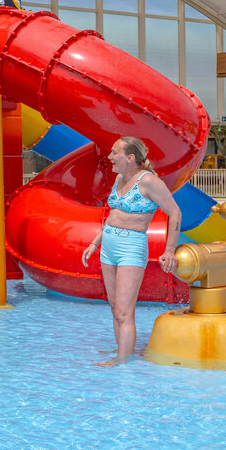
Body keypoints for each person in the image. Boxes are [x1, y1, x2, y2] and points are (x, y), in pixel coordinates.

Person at [81, 136, 181, 367]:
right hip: (108, 246)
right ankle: (122, 349)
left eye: (114, 153)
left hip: (131, 248)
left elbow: (175, 212)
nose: (110, 157)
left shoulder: (148, 181)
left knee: (124, 311)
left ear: (130, 157)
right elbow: (113, 216)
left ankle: (123, 360)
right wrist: (94, 243)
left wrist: (170, 250)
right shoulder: (119, 179)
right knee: (115, 307)